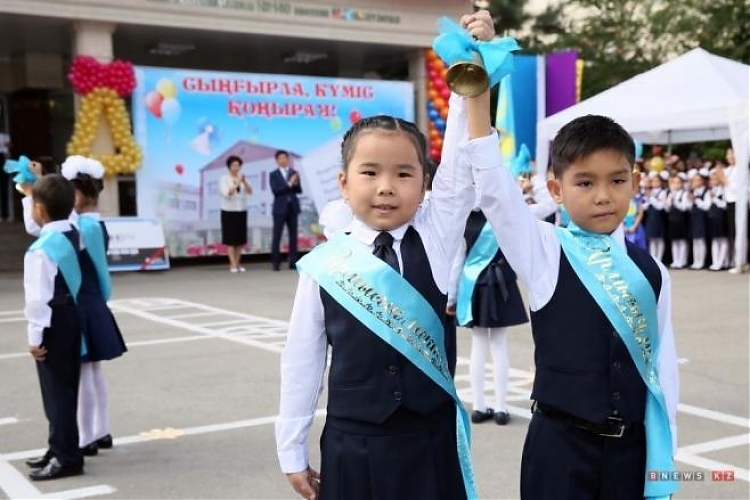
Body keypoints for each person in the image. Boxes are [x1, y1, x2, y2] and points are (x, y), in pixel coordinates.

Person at [275, 11, 500, 500]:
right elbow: (303, 358)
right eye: (370, 172)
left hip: (428, 438)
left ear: (425, 183)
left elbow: (461, 165)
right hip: (354, 443)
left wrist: (471, 70)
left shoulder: (437, 239)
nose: (385, 188)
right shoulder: (325, 265)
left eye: (403, 174)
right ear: (343, 182)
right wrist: (290, 447)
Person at [472, 113, 679, 499]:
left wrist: (663, 463)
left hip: (630, 454)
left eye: (617, 180)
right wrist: (476, 96)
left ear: (634, 182)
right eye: (585, 182)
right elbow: (496, 194)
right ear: (556, 189)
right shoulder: (546, 250)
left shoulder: (653, 271)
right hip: (560, 452)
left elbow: (662, 369)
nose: (603, 195)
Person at [61, 156, 127, 456]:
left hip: (82, 302)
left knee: (85, 371)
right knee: (94, 370)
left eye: (70, 192)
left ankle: (86, 436)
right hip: (93, 300)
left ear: (83, 193)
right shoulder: (94, 223)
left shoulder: (83, 226)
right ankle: (101, 430)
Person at [22, 174, 85, 480]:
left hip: (50, 321)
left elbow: (37, 300)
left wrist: (34, 338)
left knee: (55, 390)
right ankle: (60, 446)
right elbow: (46, 222)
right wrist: (30, 193)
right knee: (67, 386)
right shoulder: (73, 231)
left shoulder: (40, 250)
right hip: (71, 315)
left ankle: (66, 456)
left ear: (40, 209)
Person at [219, 155, 252, 273]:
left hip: (241, 211)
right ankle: (232, 264)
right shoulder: (224, 179)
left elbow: (250, 191)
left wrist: (244, 182)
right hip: (228, 211)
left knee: (240, 240)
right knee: (231, 240)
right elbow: (227, 193)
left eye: (238, 165)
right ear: (229, 166)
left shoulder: (241, 178)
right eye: (233, 165)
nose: (236, 167)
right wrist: (237, 183)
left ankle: (238, 263)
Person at [269, 150, 302, 271]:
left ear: (288, 159)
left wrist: (295, 183)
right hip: (279, 209)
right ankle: (275, 262)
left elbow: (299, 190)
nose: (283, 160)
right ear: (277, 160)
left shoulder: (294, 173)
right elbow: (276, 191)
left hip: (292, 207)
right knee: (277, 235)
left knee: (293, 236)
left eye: (285, 158)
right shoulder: (273, 174)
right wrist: (289, 184)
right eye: (280, 158)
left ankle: (293, 261)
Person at [666, 172, 690, 268]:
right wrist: (668, 201)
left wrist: (675, 201)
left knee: (682, 241)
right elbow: (667, 209)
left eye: (678, 182)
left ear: (682, 183)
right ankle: (675, 260)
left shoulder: (684, 194)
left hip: (681, 219)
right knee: (674, 241)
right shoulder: (671, 194)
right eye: (674, 182)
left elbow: (684, 207)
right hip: (672, 219)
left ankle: (682, 261)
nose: (676, 184)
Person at [689, 168, 710, 269]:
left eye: (698, 180)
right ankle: (696, 261)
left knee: (701, 241)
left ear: (702, 181)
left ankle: (701, 262)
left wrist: (696, 200)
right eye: (694, 180)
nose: (695, 182)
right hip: (694, 217)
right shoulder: (692, 191)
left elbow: (706, 206)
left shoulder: (706, 192)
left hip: (701, 218)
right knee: (695, 240)